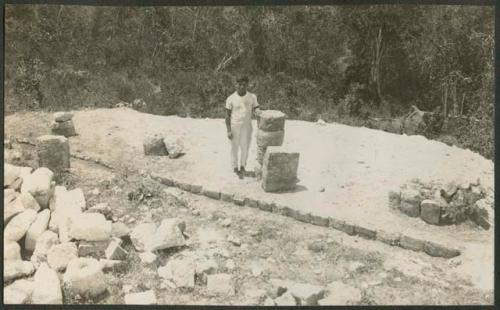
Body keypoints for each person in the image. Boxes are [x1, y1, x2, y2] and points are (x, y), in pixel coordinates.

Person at [225, 75, 261, 178]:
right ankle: (235, 167)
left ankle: (242, 166)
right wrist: (228, 130)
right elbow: (227, 115)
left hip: (247, 126)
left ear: (247, 85)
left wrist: (258, 111)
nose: (241, 87)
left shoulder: (252, 97)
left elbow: (256, 108)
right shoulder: (230, 98)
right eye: (239, 84)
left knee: (245, 147)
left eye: (244, 85)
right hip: (234, 126)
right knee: (234, 147)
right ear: (236, 85)